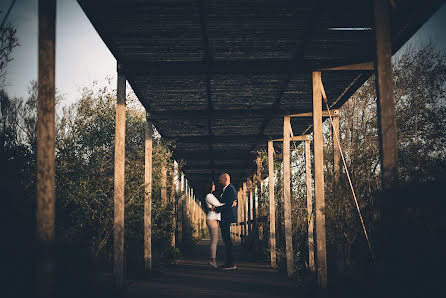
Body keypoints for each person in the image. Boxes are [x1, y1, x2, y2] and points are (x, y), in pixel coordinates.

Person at [210, 173, 238, 270]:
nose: (219, 182)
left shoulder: (230, 189)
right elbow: (224, 202)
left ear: (225, 179)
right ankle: (229, 262)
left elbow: (228, 204)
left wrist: (216, 209)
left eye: (220, 180)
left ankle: (230, 263)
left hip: (227, 218)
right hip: (225, 217)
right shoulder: (226, 189)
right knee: (227, 240)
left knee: (228, 241)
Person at [204, 181, 225, 269]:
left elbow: (216, 207)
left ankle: (212, 260)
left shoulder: (210, 195)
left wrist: (215, 207)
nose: (214, 186)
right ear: (210, 186)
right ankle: (212, 261)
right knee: (214, 241)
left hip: (212, 218)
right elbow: (218, 205)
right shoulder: (209, 195)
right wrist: (230, 204)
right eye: (213, 184)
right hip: (212, 219)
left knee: (214, 241)